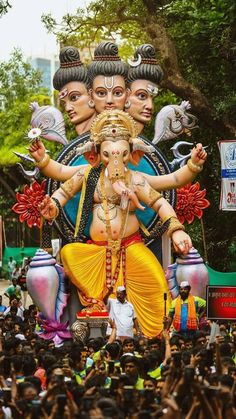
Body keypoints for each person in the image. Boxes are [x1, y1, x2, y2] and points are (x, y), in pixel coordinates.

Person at [38, 109, 196, 337]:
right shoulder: (87, 174)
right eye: (107, 154)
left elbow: (161, 202)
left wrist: (176, 229)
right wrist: (51, 205)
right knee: (70, 253)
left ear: (133, 155)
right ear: (95, 155)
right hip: (97, 251)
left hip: (131, 246)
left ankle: (155, 335)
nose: (115, 161)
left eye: (122, 155)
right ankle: (95, 302)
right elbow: (61, 188)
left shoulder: (136, 180)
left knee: (156, 284)